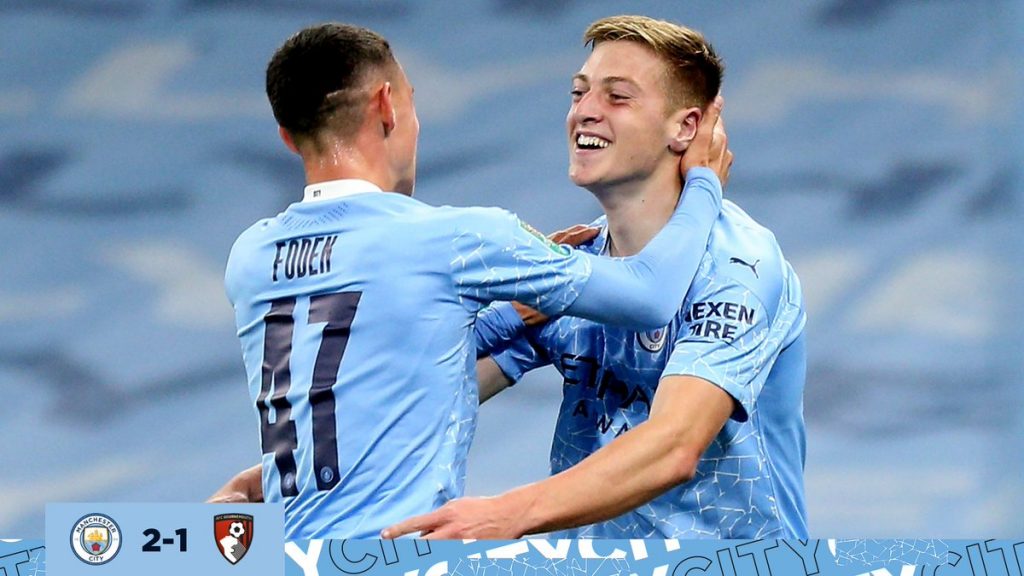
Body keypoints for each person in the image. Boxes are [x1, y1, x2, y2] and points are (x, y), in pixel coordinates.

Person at [215, 21, 729, 539]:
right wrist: (704, 182)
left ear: (287, 137)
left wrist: (513, 316)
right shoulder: (454, 239)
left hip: (281, 555)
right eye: (413, 102)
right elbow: (650, 295)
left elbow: (389, 356)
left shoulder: (251, 256)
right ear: (387, 106)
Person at [382, 15, 806, 540]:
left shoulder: (738, 266)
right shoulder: (580, 261)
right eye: (579, 92)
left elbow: (674, 446)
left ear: (686, 128)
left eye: (617, 97)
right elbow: (437, 390)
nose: (585, 110)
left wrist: (508, 513)